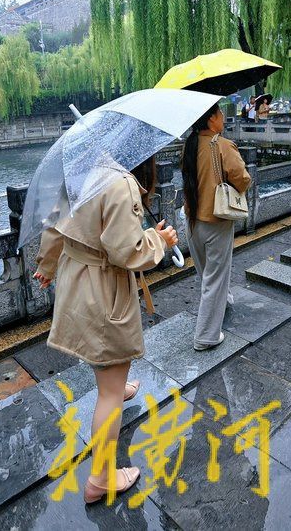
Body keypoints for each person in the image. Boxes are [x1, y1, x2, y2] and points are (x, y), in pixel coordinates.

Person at [33, 156, 177, 504]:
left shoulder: (81, 173)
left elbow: (55, 225)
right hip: (103, 289)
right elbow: (127, 252)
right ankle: (100, 477)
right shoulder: (121, 183)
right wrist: (160, 241)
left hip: (76, 280)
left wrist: (48, 263)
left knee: (107, 363)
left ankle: (116, 384)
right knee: (108, 389)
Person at [182, 103, 251, 351]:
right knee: (215, 277)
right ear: (211, 119)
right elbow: (242, 179)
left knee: (206, 273)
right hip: (215, 220)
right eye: (220, 113)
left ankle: (224, 300)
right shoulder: (222, 145)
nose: (223, 117)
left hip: (190, 219)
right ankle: (206, 336)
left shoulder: (189, 145)